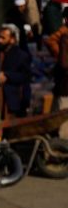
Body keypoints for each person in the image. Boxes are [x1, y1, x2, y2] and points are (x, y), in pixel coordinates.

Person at [45, 7, 68, 138]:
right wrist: (59, 54)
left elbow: (64, 63)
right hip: (64, 86)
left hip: (64, 86)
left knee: (61, 121)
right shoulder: (64, 33)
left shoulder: (65, 34)